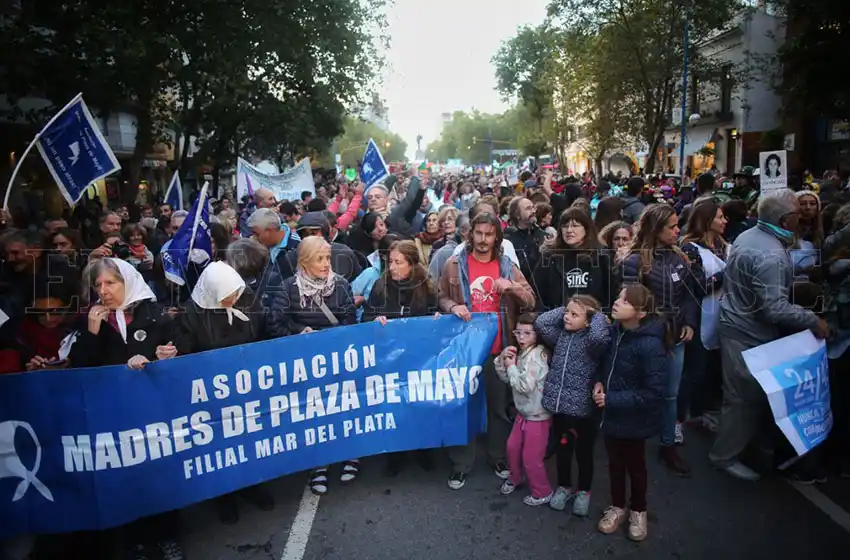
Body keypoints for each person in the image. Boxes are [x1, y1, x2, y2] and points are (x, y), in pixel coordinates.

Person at [68, 258, 184, 559]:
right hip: (113, 414)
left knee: (159, 472)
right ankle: (136, 542)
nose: (103, 291)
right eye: (98, 285)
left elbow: (180, 353)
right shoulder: (91, 321)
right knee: (126, 477)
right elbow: (80, 368)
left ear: (128, 282)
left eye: (110, 283)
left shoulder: (155, 315)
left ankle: (167, 535)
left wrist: (165, 355)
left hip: (153, 413)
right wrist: (92, 332)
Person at [709, 189, 827, 482]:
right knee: (743, 398)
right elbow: (773, 309)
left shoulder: (749, 236)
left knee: (745, 396)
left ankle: (742, 448)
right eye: (798, 213)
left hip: (739, 325)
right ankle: (724, 457)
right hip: (746, 332)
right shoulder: (771, 253)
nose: (802, 217)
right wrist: (813, 319)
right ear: (787, 220)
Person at [438, 212, 536, 490]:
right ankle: (461, 464)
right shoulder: (454, 265)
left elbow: (530, 300)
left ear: (497, 237)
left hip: (499, 349)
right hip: (465, 352)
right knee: (464, 408)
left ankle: (497, 457)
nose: (483, 240)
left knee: (497, 408)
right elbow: (441, 296)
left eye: (488, 234)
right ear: (470, 235)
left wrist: (513, 287)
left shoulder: (508, 267)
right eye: (478, 233)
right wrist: (451, 307)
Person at [173, 261, 274, 524]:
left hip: (247, 387)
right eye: (227, 296)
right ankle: (224, 496)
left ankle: (252, 486)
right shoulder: (192, 313)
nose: (234, 299)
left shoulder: (246, 297)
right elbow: (186, 352)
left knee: (249, 439)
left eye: (236, 294)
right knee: (219, 446)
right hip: (212, 393)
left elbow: (264, 333)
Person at [273, 236, 358, 493]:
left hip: (338, 360)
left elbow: (350, 319)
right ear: (304, 262)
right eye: (319, 259)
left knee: (344, 407)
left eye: (327, 258)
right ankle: (319, 464)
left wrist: (334, 338)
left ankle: (351, 453)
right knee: (315, 413)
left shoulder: (341, 285)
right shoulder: (288, 289)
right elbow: (275, 324)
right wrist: (301, 333)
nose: (325, 264)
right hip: (306, 366)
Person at [622, 204, 701, 475]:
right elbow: (628, 303)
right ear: (656, 229)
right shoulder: (635, 262)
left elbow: (689, 295)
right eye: (672, 226)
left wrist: (689, 322)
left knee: (670, 395)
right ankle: (629, 445)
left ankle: (668, 446)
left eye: (677, 225)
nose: (678, 230)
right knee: (638, 393)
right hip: (644, 339)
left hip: (674, 337)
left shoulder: (679, 257)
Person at [594, 285, 670, 542]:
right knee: (614, 464)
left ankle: (638, 510)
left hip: (634, 419)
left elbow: (655, 392)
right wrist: (598, 382)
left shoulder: (650, 345)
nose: (616, 302)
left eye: (625, 301)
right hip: (612, 415)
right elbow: (604, 365)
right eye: (618, 297)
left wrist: (612, 399)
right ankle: (617, 506)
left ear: (639, 313)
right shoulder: (614, 333)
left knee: (635, 466)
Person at [363, 239, 440, 475]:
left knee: (419, 405)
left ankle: (423, 450)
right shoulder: (380, 286)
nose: (392, 267)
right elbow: (366, 317)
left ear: (412, 264)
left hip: (419, 359)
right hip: (390, 361)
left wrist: (438, 317)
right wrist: (374, 322)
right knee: (394, 406)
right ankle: (395, 455)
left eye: (398, 262)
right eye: (389, 262)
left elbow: (436, 314)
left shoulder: (427, 286)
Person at [533, 295, 610, 515]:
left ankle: (584, 490)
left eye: (574, 315)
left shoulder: (592, 342)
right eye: (566, 312)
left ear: (589, 321)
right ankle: (564, 486)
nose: (567, 317)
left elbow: (599, 336)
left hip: (584, 411)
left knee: (584, 453)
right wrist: (571, 306)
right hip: (561, 408)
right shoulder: (561, 336)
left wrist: (596, 316)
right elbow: (541, 323)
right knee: (563, 451)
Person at [678, 200, 728, 434]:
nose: (724, 221)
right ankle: (679, 418)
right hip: (699, 318)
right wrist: (728, 273)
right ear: (707, 221)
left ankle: (700, 412)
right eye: (719, 217)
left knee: (711, 370)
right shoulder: (691, 249)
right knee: (695, 371)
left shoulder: (725, 246)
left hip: (723, 317)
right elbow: (698, 286)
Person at [494, 312, 552, 506]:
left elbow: (524, 386)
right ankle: (516, 477)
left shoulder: (537, 356)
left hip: (538, 415)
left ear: (538, 334)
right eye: (518, 332)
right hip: (524, 413)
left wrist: (510, 366)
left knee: (531, 457)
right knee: (512, 448)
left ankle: (542, 491)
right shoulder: (523, 353)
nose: (521, 338)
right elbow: (507, 379)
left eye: (528, 333)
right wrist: (503, 361)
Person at [534, 208, 612, 311]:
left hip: (592, 318)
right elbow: (537, 292)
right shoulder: (550, 256)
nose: (569, 230)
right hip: (557, 318)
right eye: (565, 226)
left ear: (586, 228)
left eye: (575, 226)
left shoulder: (601, 256)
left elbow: (611, 291)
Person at [292, 211, 362, 282]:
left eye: (314, 233)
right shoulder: (292, 257)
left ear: (324, 232)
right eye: (305, 234)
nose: (310, 237)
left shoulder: (344, 252)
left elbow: (358, 283)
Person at [503, 196, 547, 285]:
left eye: (533, 207)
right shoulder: (508, 239)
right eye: (528, 208)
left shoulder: (543, 235)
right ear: (517, 215)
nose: (534, 211)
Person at [248, 207, 299, 280]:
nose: (254, 238)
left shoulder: (296, 247)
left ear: (270, 230)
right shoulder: (262, 246)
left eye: (257, 234)